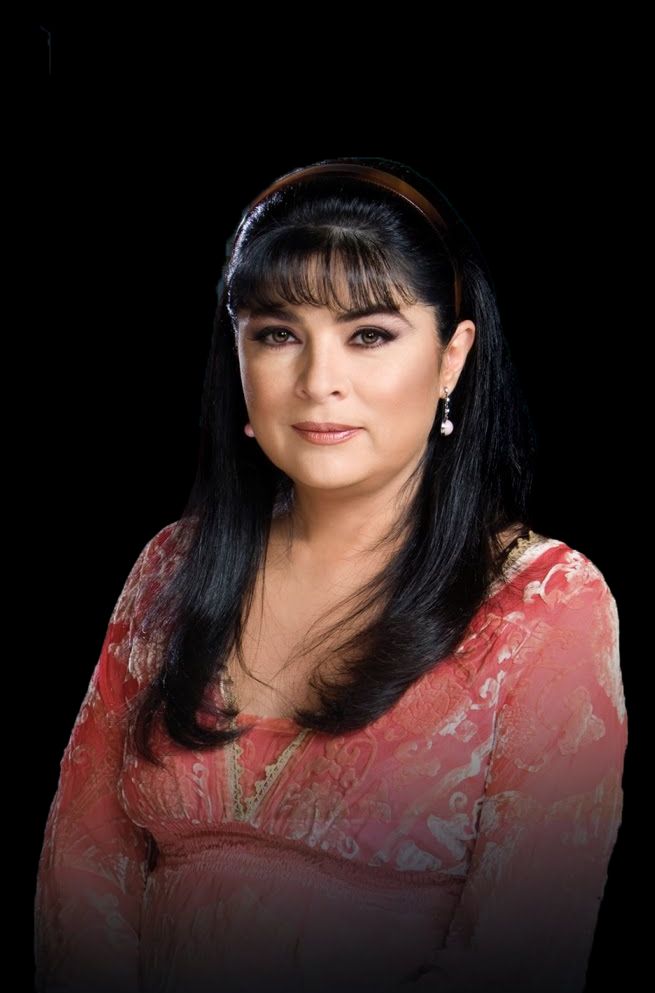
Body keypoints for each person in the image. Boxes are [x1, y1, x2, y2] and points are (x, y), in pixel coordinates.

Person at [33, 157, 627, 993]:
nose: (318, 382)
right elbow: (82, 872)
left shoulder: (544, 604)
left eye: (368, 335)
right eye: (278, 334)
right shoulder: (172, 566)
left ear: (452, 356)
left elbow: (522, 951)